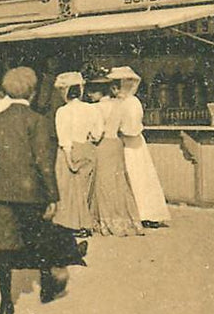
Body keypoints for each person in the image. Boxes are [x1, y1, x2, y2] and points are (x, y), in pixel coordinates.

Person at [0, 67, 86, 314]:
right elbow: (44, 162)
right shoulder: (37, 121)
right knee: (38, 239)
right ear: (31, 91)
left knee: (3, 246)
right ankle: (46, 288)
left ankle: (6, 302)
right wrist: (53, 196)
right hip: (30, 192)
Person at [109, 66, 170, 228]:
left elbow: (132, 129)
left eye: (116, 86)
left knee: (138, 177)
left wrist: (118, 131)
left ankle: (146, 213)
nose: (114, 90)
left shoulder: (131, 103)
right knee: (135, 178)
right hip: (129, 144)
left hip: (131, 145)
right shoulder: (124, 102)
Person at [52, 72, 104, 236]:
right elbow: (97, 133)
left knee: (69, 189)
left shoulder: (63, 111)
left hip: (70, 149)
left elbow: (64, 139)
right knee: (85, 188)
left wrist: (69, 159)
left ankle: (75, 224)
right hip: (87, 148)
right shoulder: (92, 109)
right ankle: (86, 222)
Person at [91, 75, 143, 236]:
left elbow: (97, 133)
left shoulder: (96, 108)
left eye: (93, 91)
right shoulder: (120, 105)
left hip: (104, 145)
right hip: (117, 144)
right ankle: (128, 220)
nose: (90, 95)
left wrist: (90, 137)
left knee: (104, 183)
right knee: (119, 182)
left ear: (100, 92)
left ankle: (107, 221)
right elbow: (126, 127)